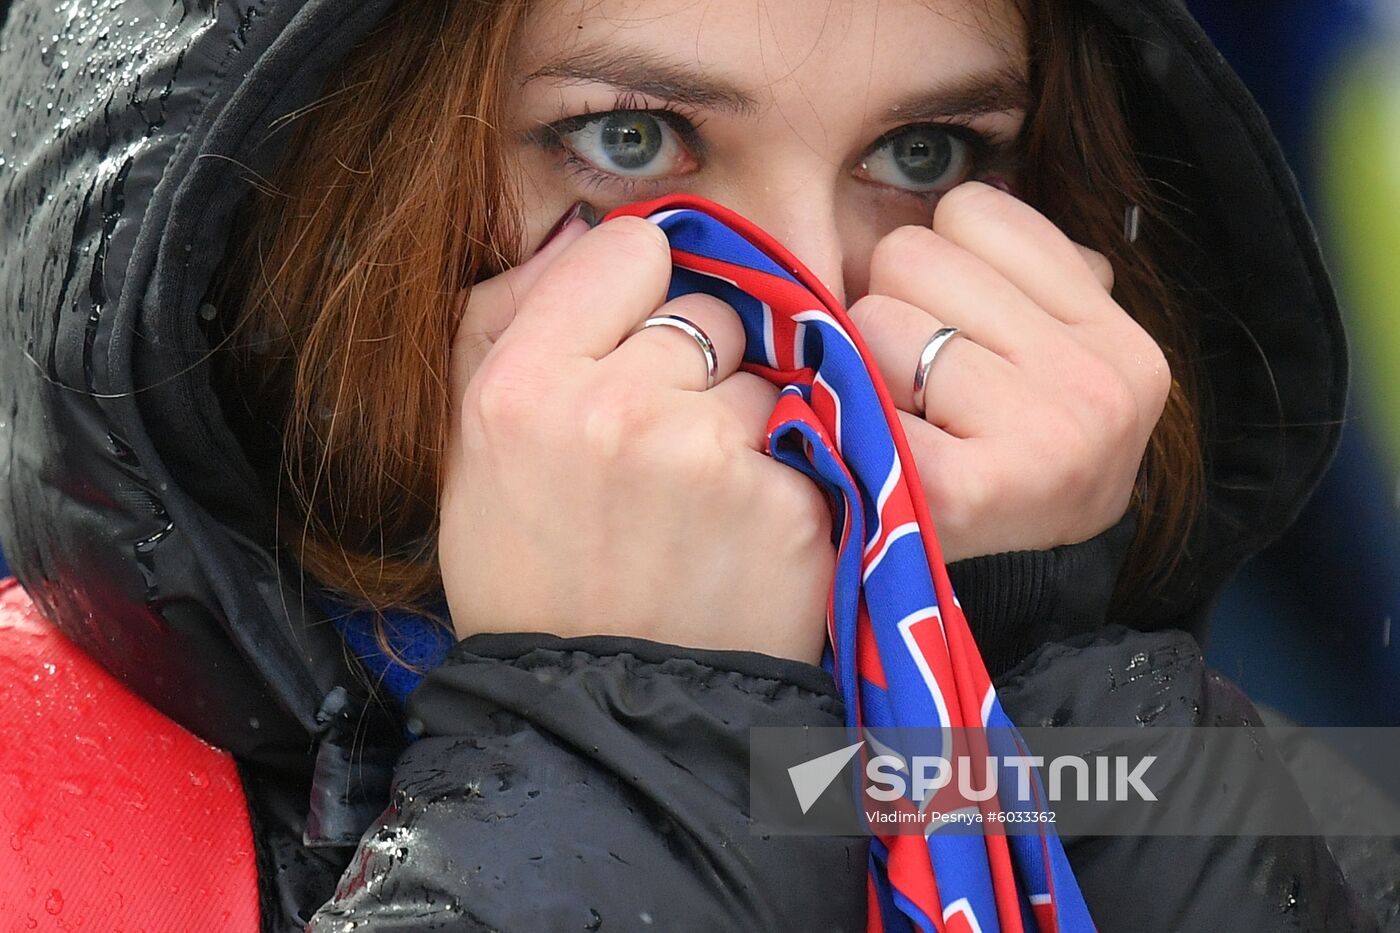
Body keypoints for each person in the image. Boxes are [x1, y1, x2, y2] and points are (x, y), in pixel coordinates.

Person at [0, 0, 1387, 930]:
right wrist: (629, 734)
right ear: (290, 184)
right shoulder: (33, 800)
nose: (817, 315)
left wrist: (994, 648)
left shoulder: (1229, 773)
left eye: (924, 150)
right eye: (630, 141)